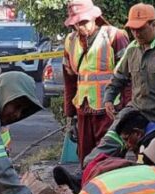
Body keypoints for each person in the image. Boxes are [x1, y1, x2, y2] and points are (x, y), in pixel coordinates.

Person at [62, 0, 131, 161]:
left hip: (110, 111)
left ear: (94, 17)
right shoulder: (70, 41)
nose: (80, 27)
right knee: (85, 158)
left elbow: (129, 78)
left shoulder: (115, 36)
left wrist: (128, 111)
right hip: (83, 110)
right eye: (76, 23)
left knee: (108, 158)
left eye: (84, 22)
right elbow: (69, 81)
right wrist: (70, 116)